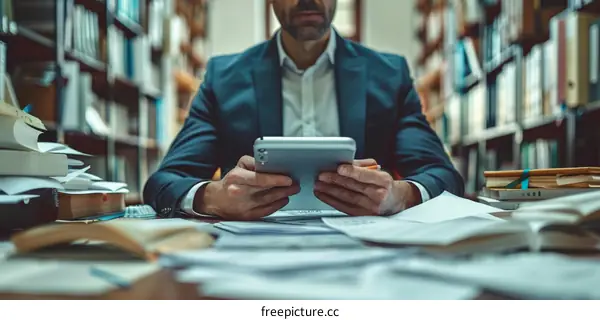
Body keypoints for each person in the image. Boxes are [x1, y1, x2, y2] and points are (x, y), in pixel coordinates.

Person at [143, 0, 464, 220]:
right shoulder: (223, 78)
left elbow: (444, 177)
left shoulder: (388, 75)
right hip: (251, 259)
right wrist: (214, 198)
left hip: (364, 259)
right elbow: (163, 183)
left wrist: (401, 195)